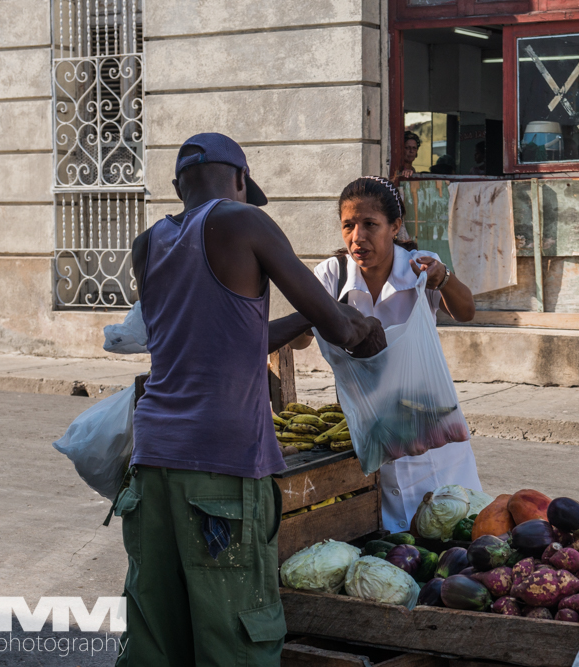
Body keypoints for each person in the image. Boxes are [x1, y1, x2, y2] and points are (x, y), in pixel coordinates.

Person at [118, 133, 386, 666]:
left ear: (177, 186)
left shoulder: (147, 244)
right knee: (233, 636)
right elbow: (340, 328)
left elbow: (232, 339)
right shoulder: (244, 221)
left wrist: (307, 317)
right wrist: (362, 327)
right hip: (221, 468)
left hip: (151, 466)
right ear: (240, 179)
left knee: (156, 636)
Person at [290, 176, 481, 531]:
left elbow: (467, 310)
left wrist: (443, 277)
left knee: (452, 534)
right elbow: (299, 341)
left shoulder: (419, 267)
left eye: (370, 225)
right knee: (388, 547)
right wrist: (305, 323)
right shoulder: (332, 277)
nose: (357, 237)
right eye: (348, 225)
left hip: (430, 429)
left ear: (394, 227)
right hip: (368, 431)